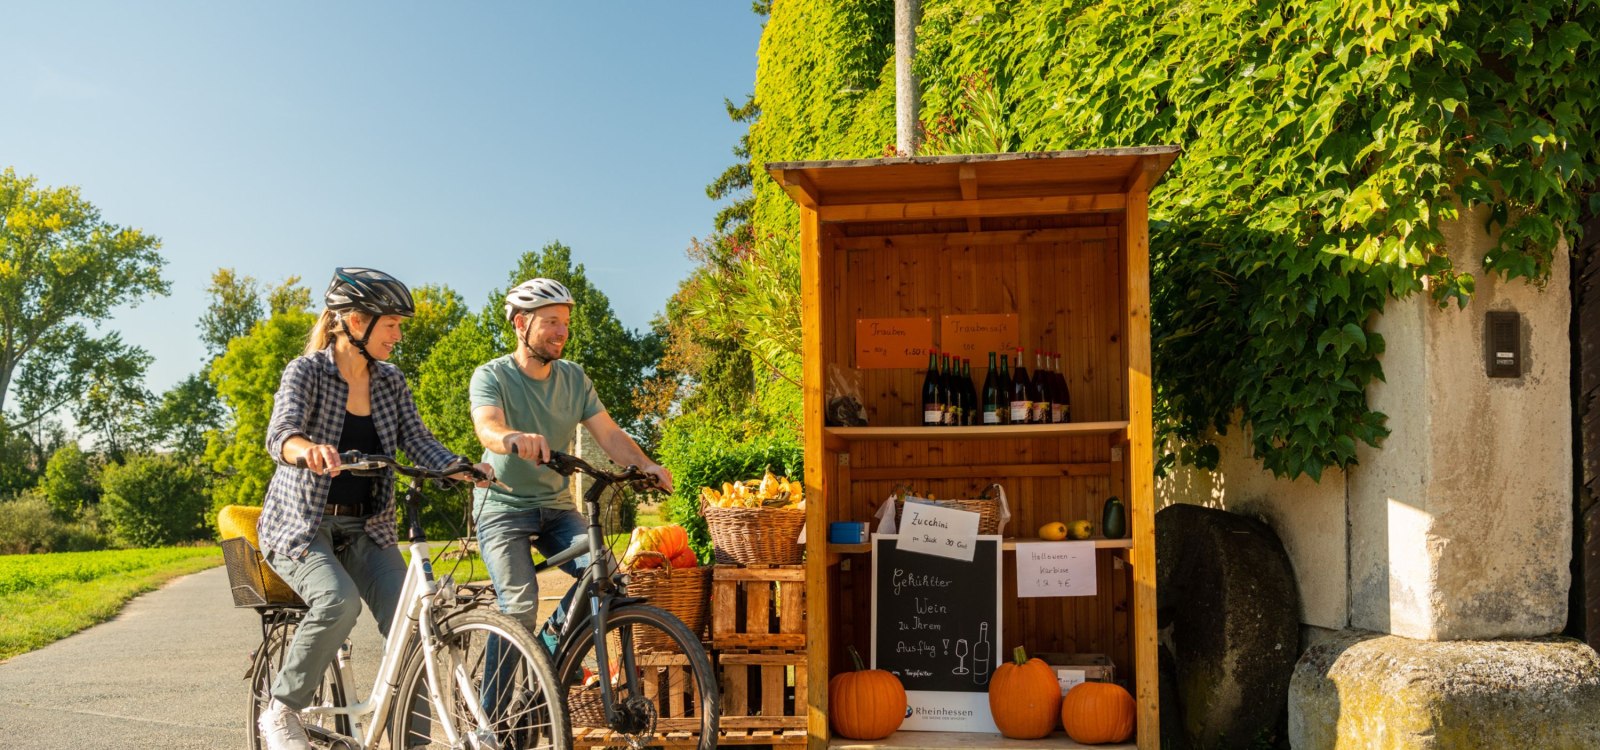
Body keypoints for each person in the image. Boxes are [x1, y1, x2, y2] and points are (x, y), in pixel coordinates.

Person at [256, 267, 492, 750]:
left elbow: (416, 440)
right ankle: (281, 711)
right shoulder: (307, 372)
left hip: (370, 528)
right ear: (355, 321)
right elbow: (281, 433)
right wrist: (307, 450)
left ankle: (414, 741)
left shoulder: (390, 381)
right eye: (392, 325)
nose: (399, 335)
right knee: (337, 600)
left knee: (415, 624)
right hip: (303, 525)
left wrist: (457, 467)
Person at [469, 277, 674, 651]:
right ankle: (491, 709)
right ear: (520, 324)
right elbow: (488, 426)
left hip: (557, 508)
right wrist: (513, 438)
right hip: (502, 508)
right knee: (517, 608)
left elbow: (610, 435)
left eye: (565, 322)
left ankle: (546, 656)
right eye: (551, 321)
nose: (562, 331)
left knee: (608, 577)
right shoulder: (492, 375)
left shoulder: (574, 378)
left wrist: (647, 465)